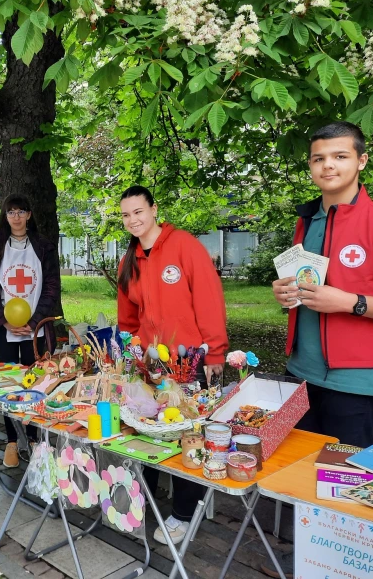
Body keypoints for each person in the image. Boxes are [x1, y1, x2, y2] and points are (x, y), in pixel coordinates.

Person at [272, 121, 373, 448]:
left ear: (361, 161)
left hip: (356, 383)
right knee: (292, 478)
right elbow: (305, 284)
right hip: (300, 373)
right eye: (318, 158)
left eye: (340, 156)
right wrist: (286, 292)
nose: (328, 164)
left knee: (338, 485)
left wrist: (349, 302)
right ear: (311, 166)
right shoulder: (306, 221)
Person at [116, 185, 229, 545]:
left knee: (187, 436)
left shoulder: (183, 245)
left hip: (189, 363)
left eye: (138, 211)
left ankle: (183, 515)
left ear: (154, 209)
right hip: (152, 366)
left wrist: (215, 354)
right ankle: (140, 502)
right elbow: (127, 319)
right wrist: (135, 356)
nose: (133, 220)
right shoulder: (128, 260)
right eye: (125, 215)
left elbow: (210, 301)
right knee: (144, 430)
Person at [0, 194, 61, 468]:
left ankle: (35, 439)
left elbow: (51, 287)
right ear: (5, 215)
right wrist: (3, 319)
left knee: (36, 383)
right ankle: (12, 440)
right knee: (9, 385)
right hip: (6, 330)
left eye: (21, 211)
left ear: (28, 215)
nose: (16, 217)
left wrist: (35, 320)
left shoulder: (44, 247)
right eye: (11, 212)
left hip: (34, 329)